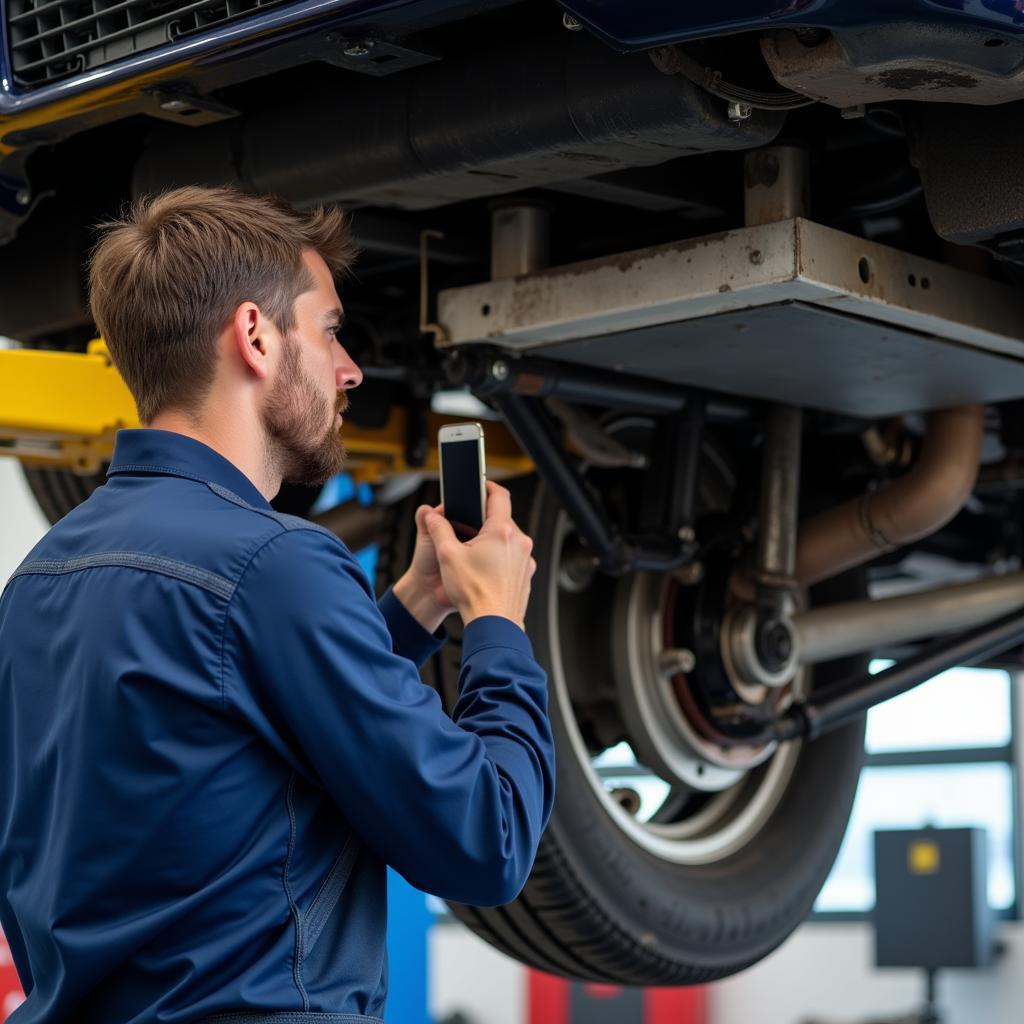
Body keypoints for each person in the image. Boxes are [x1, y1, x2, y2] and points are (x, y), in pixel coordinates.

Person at [0, 186, 555, 1024]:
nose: (351, 368)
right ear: (256, 336)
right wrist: (497, 627)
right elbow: (489, 839)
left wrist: (410, 610)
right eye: (330, 330)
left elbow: (230, 741)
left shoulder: (38, 581)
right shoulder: (277, 565)